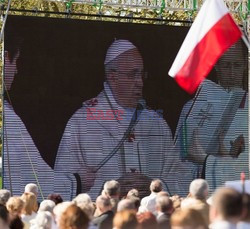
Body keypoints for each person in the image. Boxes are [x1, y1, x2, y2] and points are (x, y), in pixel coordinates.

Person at [55, 39, 178, 199]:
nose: (140, 82)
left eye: (141, 74)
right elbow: (62, 184)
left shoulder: (157, 123)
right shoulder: (81, 122)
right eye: (133, 74)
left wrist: (155, 187)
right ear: (112, 77)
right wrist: (109, 191)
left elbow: (179, 175)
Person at [3, 36, 79, 201]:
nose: (16, 70)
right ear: (5, 57)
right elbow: (35, 174)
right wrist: (77, 181)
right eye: (15, 61)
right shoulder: (6, 117)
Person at [174, 40, 248, 195]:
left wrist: (213, 161)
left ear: (245, 65)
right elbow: (178, 166)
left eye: (237, 65)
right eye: (227, 66)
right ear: (216, 66)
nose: (233, 74)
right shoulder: (192, 108)